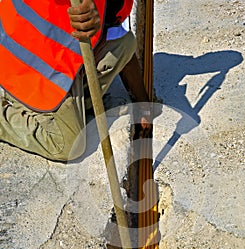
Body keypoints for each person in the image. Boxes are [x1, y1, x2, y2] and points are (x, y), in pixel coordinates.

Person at [0, 0, 151, 161]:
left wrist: (144, 106)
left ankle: (77, 107)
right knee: (70, 146)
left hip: (63, 59)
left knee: (125, 44)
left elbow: (116, 32)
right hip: (26, 65)